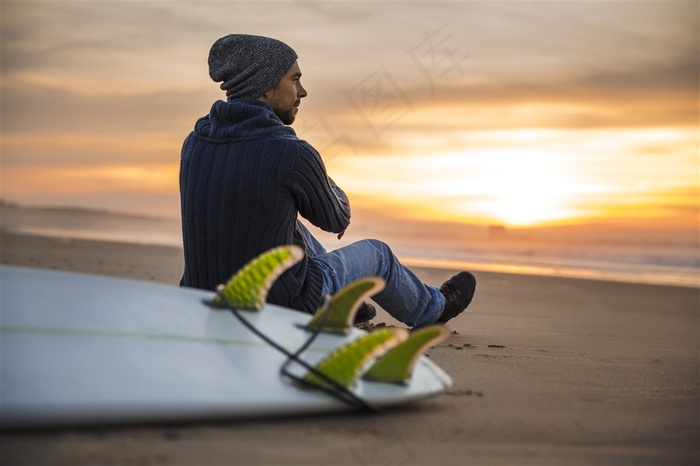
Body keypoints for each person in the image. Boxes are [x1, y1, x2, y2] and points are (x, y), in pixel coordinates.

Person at [179, 34, 476, 328]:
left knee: (285, 223)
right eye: (294, 79)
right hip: (278, 305)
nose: (303, 91)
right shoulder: (291, 152)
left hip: (203, 302)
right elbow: (337, 219)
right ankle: (433, 309)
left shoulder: (194, 142)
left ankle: (343, 302)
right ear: (266, 86)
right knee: (378, 254)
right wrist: (324, 177)